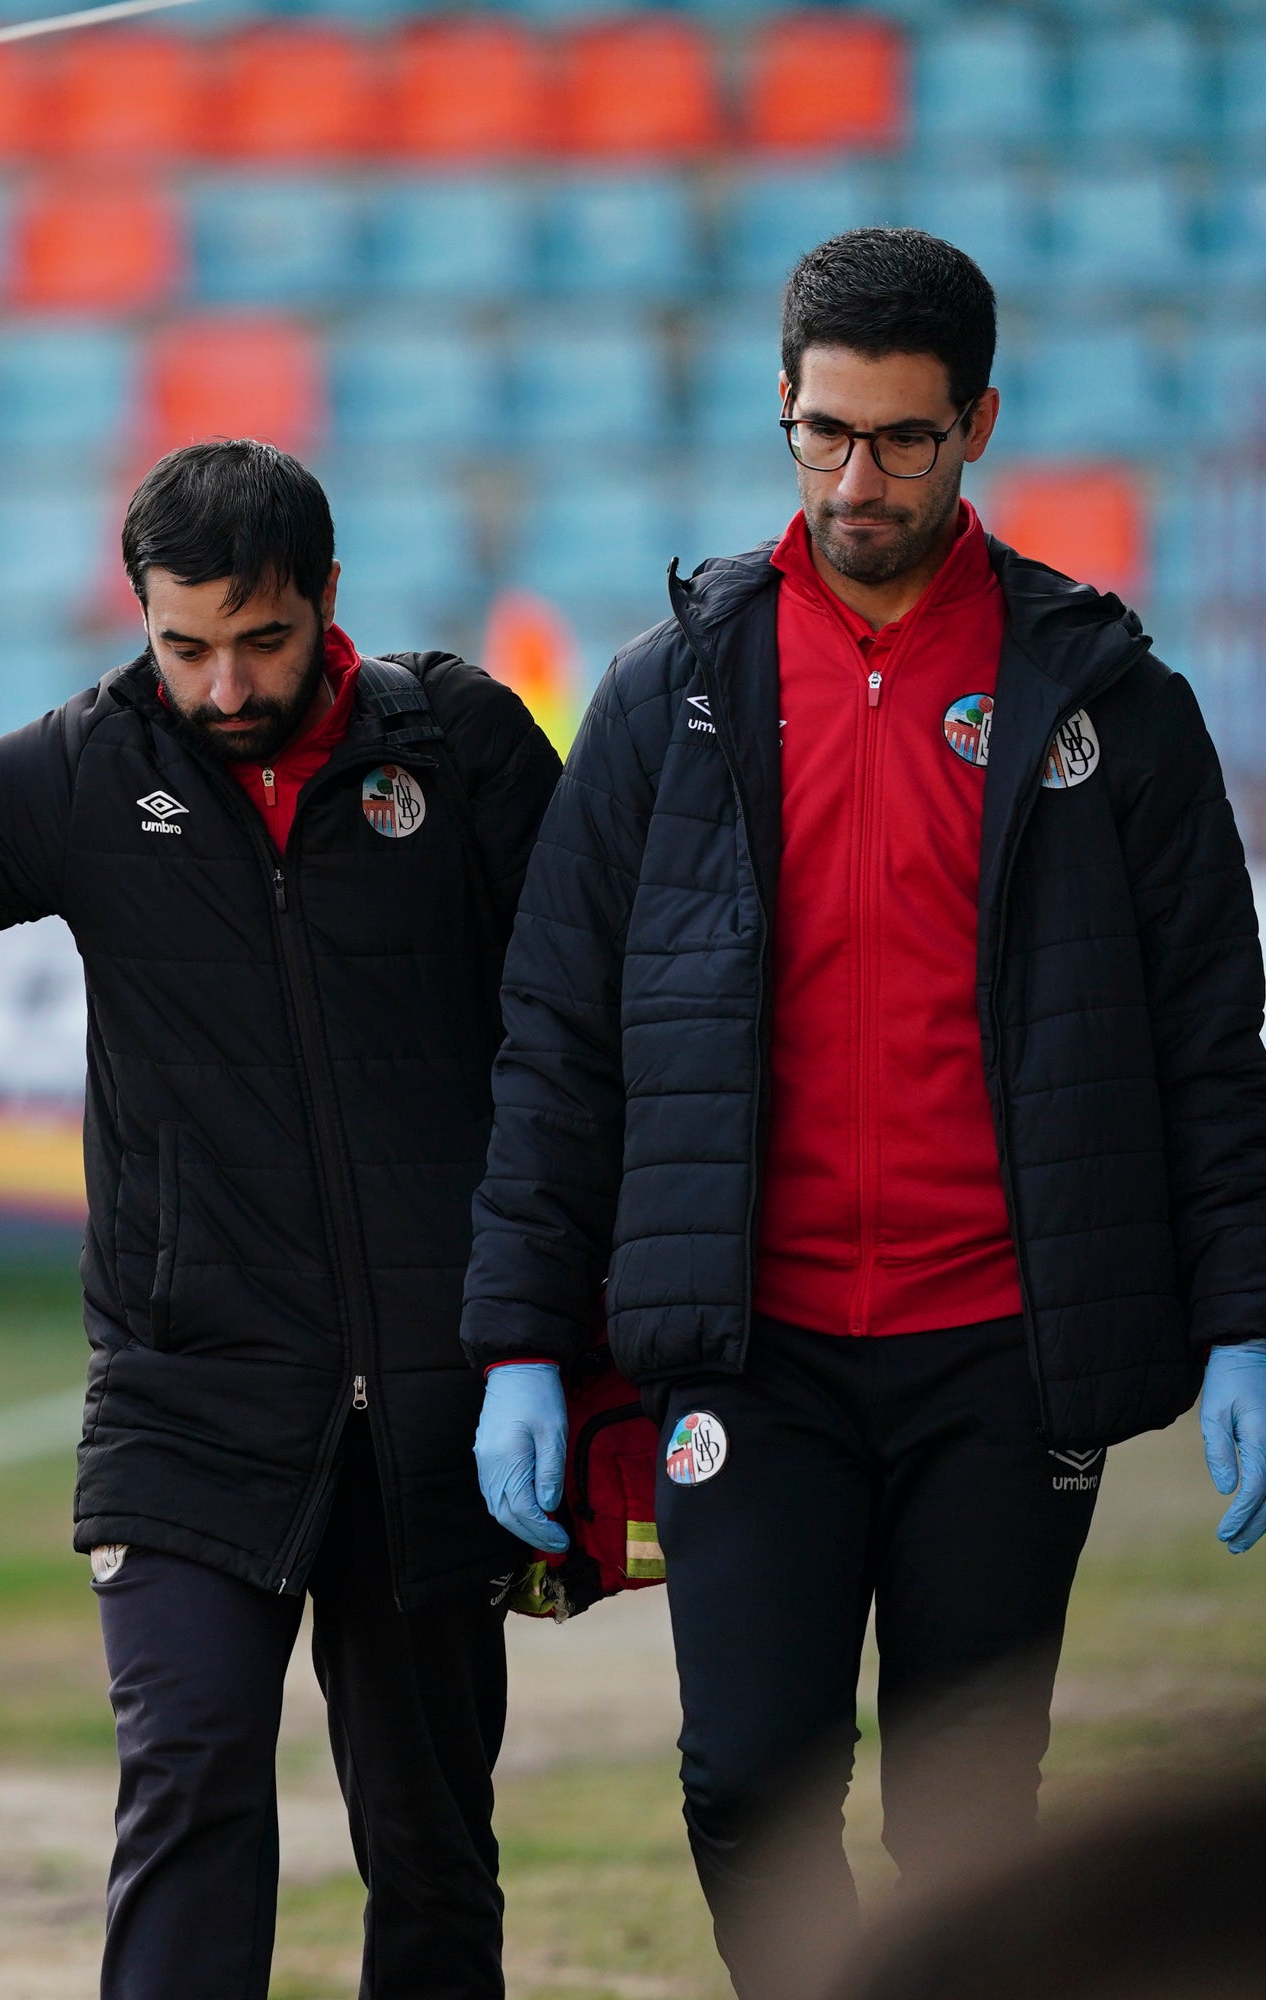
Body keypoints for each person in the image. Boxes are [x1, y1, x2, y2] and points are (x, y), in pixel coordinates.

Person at [462, 227, 1266, 2000]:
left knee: (966, 1821)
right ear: (782, 406)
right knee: (749, 1785)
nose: (857, 480)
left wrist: (1245, 1315)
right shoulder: (667, 699)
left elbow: (1214, 1038)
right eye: (824, 433)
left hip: (1007, 1351)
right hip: (753, 1352)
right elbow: (558, 1040)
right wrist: (519, 1337)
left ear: (978, 423)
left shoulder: (1109, 701)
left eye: (904, 439)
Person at [0, 438, 564, 1999]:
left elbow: (578, 1020)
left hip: (437, 1405)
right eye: (184, 646)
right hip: (182, 1392)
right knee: (190, 1784)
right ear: (139, 614)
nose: (224, 686)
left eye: (262, 641)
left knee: (432, 1846)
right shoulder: (90, 766)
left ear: (329, 595)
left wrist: (546, 1334)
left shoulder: (460, 741)